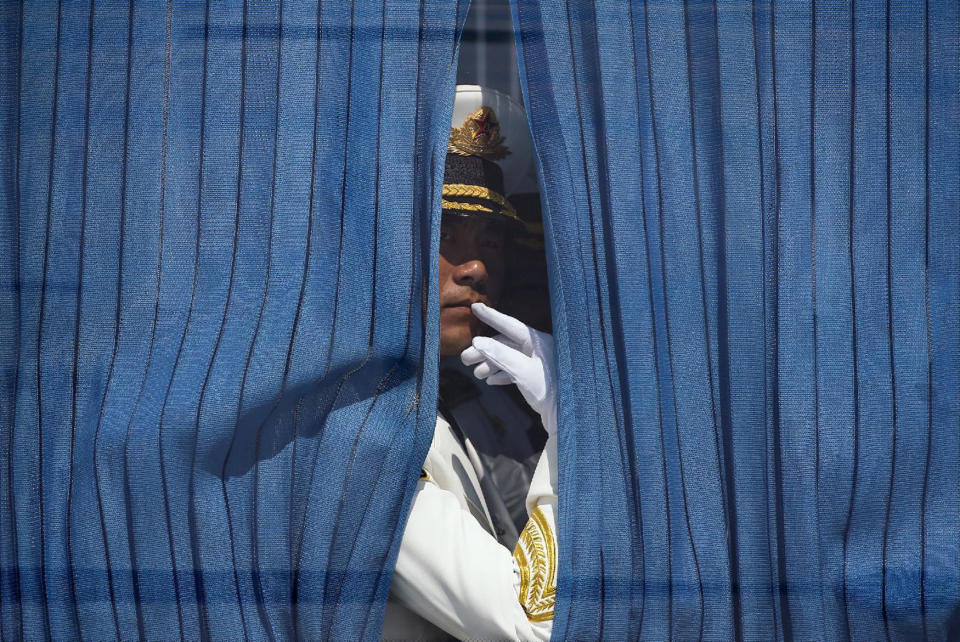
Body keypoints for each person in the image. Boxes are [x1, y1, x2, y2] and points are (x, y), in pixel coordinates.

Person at [382, 87, 559, 641]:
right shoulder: (362, 429)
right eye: (444, 234)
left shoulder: (475, 394)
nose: (477, 265)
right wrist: (573, 431)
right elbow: (537, 624)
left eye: (491, 240)